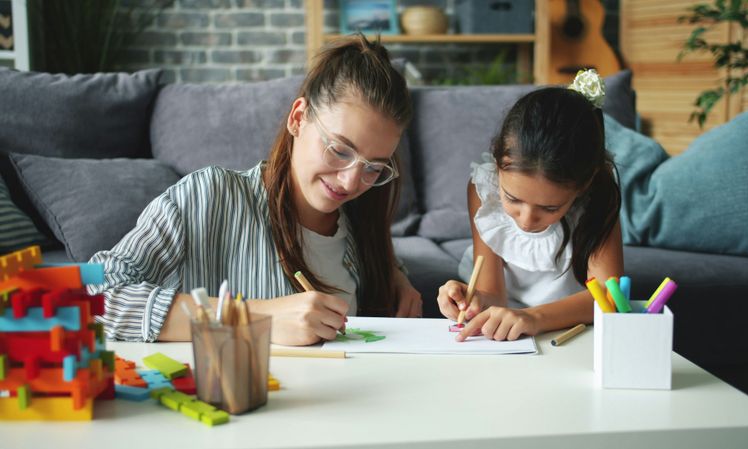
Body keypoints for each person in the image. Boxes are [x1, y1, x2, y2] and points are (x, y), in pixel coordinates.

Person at [89, 34, 422, 345]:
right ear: (298, 118)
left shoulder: (362, 224)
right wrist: (255, 317)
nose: (351, 182)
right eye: (338, 150)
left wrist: (397, 280)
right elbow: (95, 296)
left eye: (374, 167)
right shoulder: (210, 195)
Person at [437, 70, 623, 342]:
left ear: (583, 186)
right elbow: (493, 294)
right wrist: (471, 298)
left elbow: (610, 296)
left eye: (550, 208)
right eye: (512, 199)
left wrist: (533, 318)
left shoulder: (597, 198)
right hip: (504, 331)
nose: (526, 220)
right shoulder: (483, 190)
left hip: (568, 330)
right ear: (498, 164)